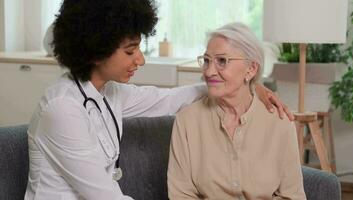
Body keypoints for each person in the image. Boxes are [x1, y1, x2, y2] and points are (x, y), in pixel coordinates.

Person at [24, 0, 291, 199]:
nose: (140, 59)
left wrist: (248, 87)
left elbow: (172, 98)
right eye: (130, 51)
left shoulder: (109, 93)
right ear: (96, 51)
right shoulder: (61, 110)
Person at [168, 22, 306, 200]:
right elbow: (180, 195)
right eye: (207, 61)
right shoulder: (187, 121)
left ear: (251, 69)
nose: (209, 71)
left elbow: (292, 195)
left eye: (222, 61)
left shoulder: (280, 122)